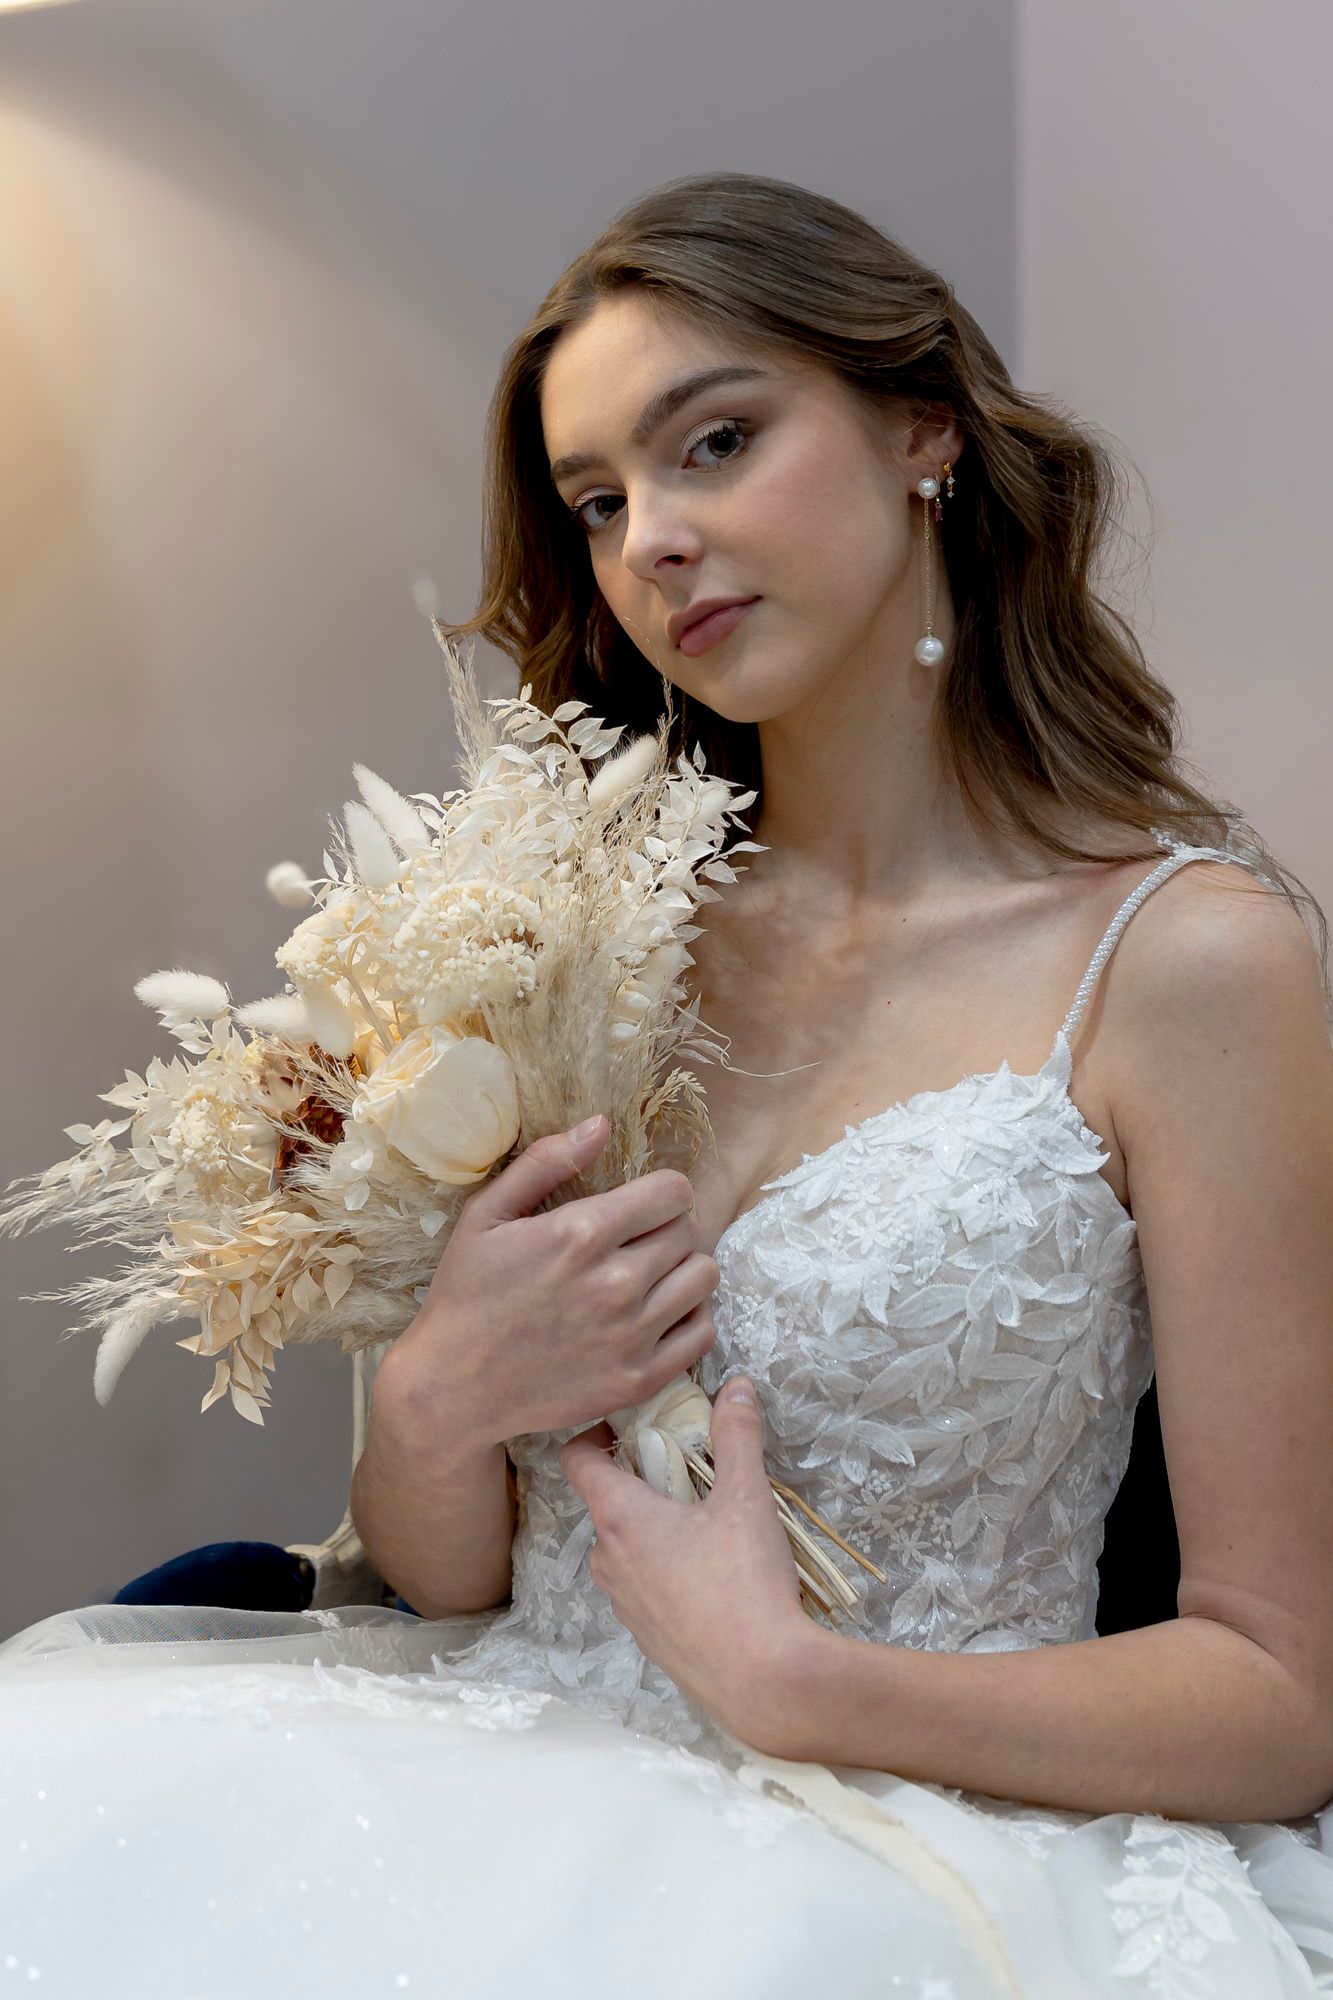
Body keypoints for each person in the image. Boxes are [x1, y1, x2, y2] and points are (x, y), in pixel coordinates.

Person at [2, 170, 1331, 1999]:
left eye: (715, 444)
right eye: (601, 502)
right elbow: (455, 1579)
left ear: (919, 428)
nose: (655, 544)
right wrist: (438, 1397)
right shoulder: (569, 934)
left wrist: (800, 1687)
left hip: (915, 1847)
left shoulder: (1186, 964)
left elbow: (1278, 1694)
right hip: (490, 1775)